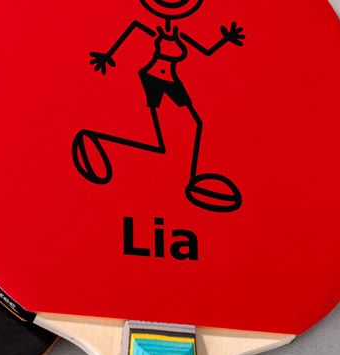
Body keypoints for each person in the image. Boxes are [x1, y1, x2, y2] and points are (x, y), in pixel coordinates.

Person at [72, 0, 245, 213]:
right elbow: (132, 29)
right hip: (152, 78)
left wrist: (226, 39)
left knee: (196, 123)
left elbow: (206, 51)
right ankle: (95, 138)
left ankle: (192, 179)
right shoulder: (155, 32)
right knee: (158, 138)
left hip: (172, 80)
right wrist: (108, 55)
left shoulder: (181, 35)